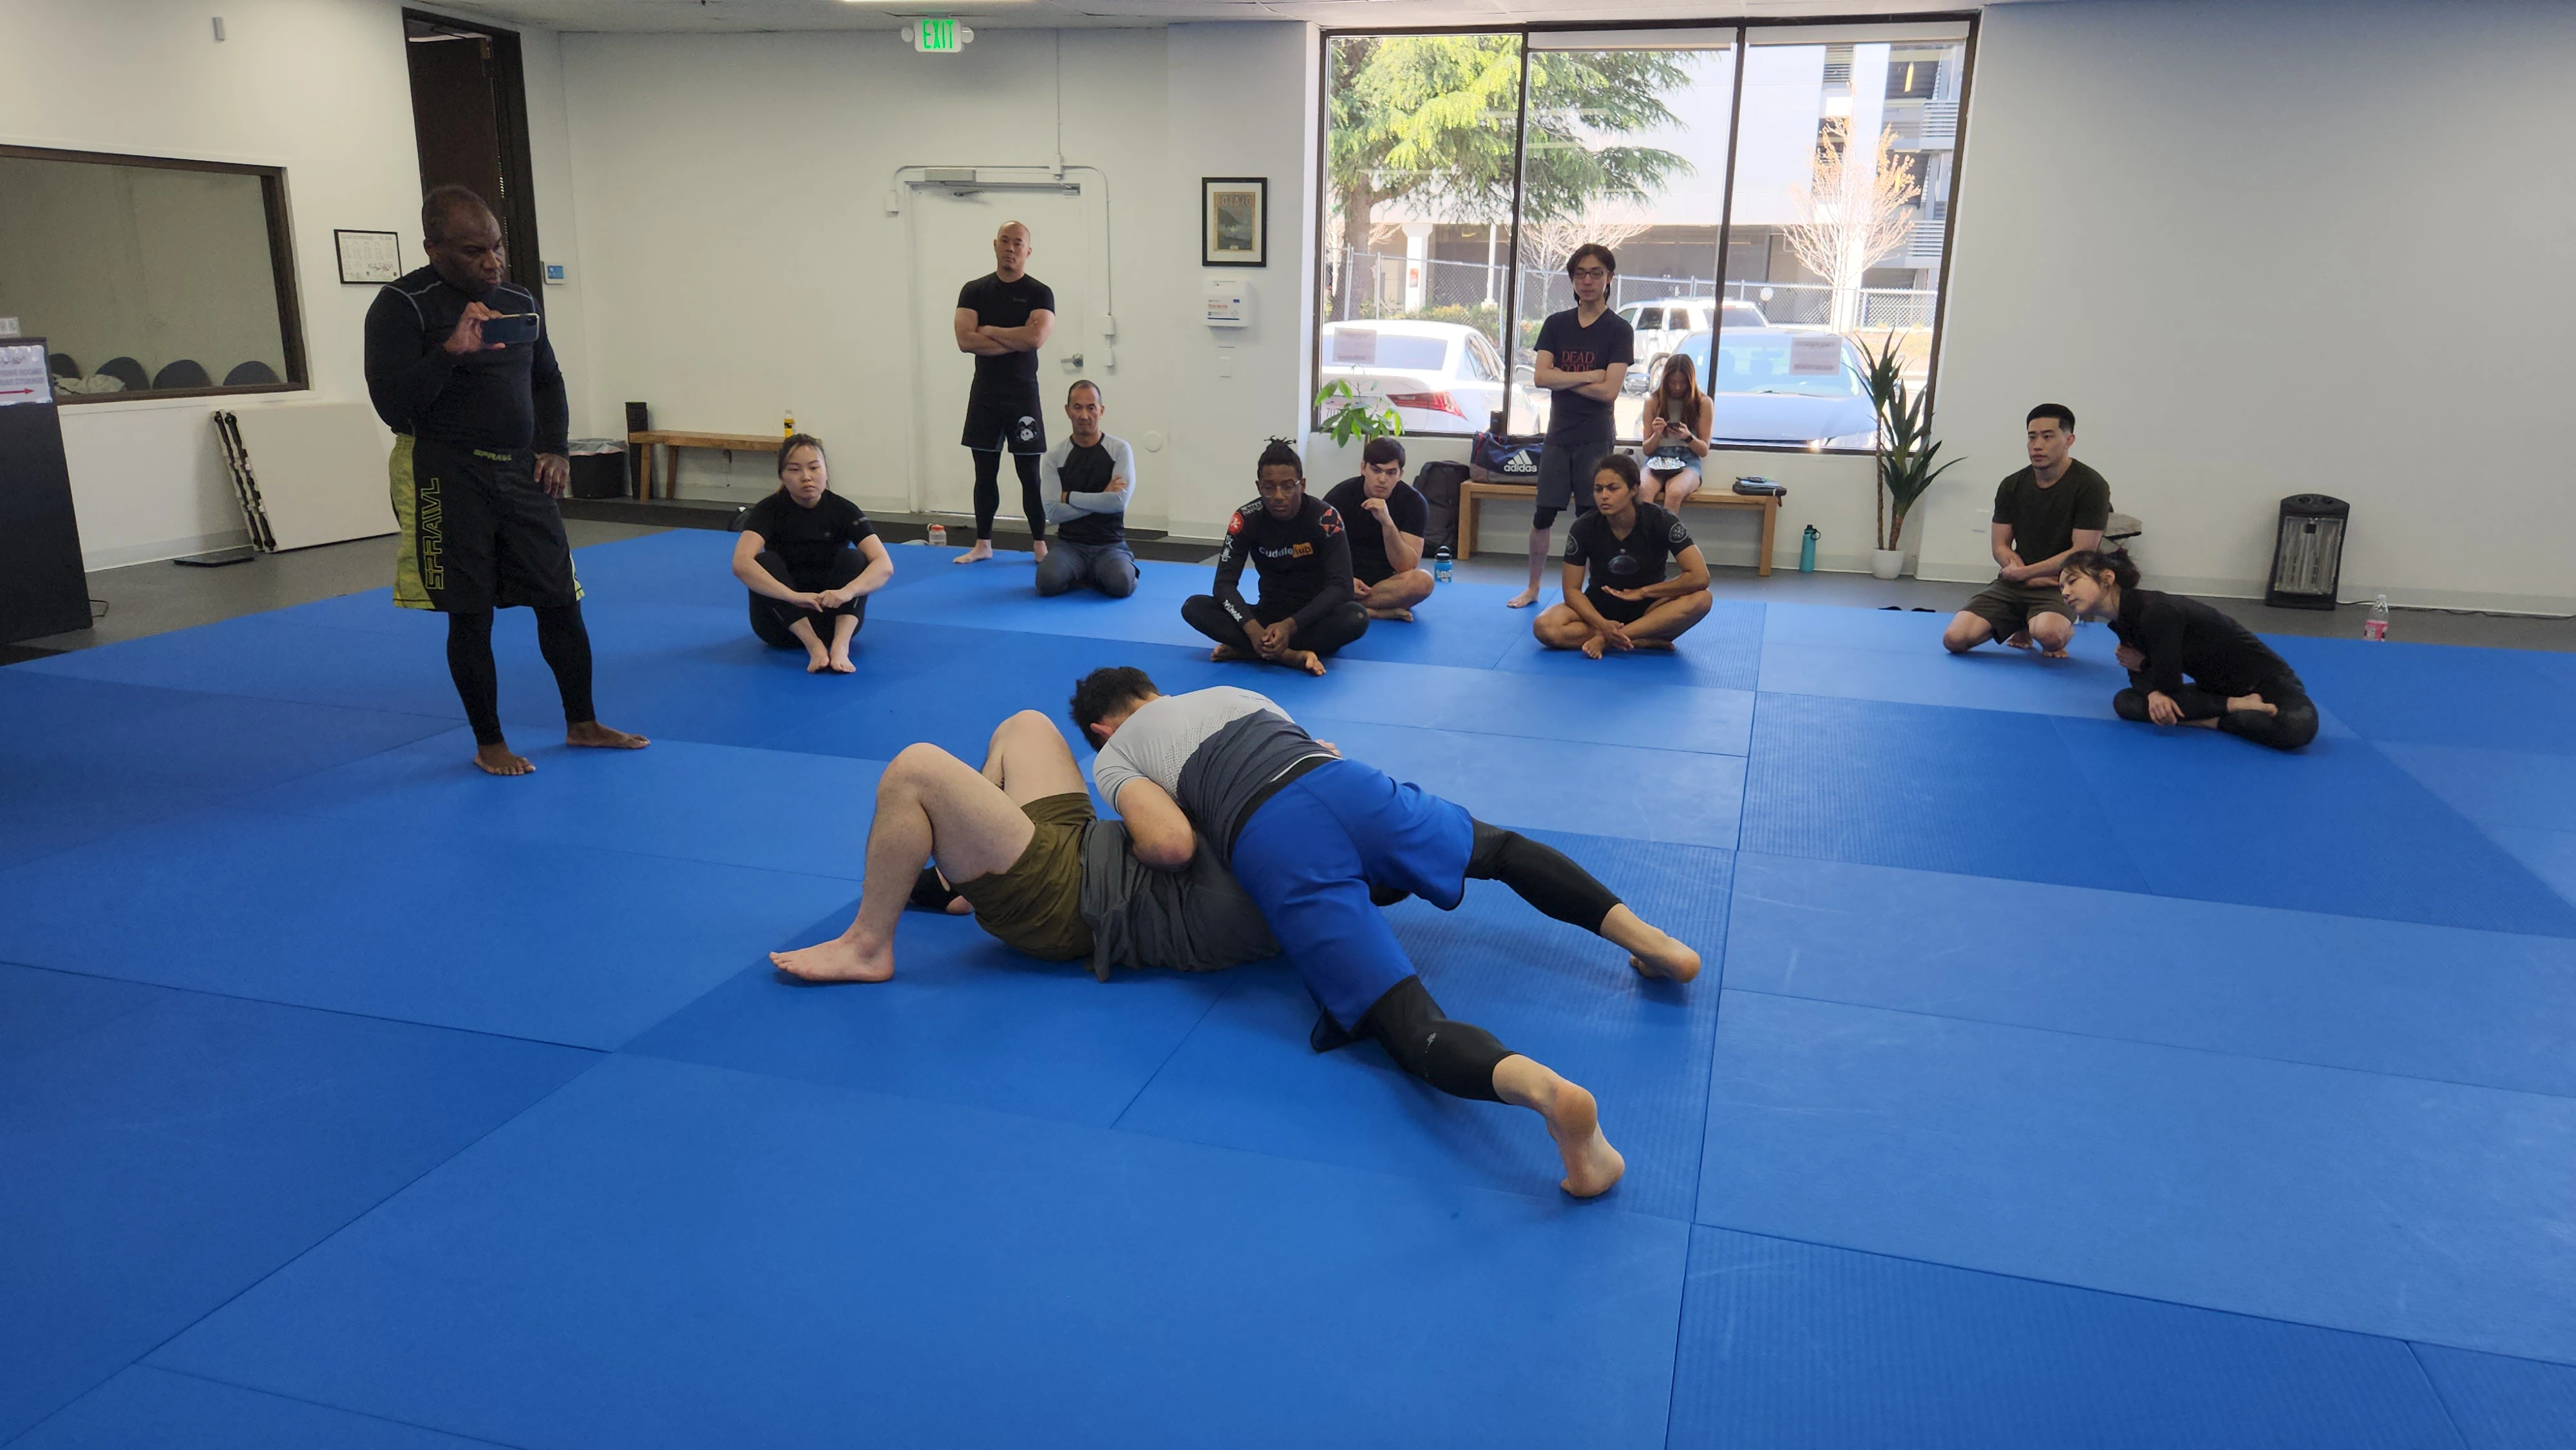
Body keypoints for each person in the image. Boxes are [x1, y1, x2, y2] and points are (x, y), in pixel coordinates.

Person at [1071, 668, 1704, 1199]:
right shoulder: (1229, 692)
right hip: (1343, 782)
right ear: (1152, 691)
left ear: (1101, 725)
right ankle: (1653, 943)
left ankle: (1546, 1093)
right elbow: (1323, 745)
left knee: (1404, 1021)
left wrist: (1142, 827)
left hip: (1273, 836)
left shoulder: (1114, 752)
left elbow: (1171, 843)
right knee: (1500, 849)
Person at [363, 184, 647, 777]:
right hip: (443, 473)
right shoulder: (402, 305)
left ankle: (583, 722)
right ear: (434, 249)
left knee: (560, 599)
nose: (492, 263)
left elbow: (547, 379)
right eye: (474, 252)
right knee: (471, 613)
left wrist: (554, 447)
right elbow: (394, 407)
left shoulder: (517, 298)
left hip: (520, 469)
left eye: (497, 248)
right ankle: (489, 741)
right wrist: (451, 351)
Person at [770, 711, 1281, 986]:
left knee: (916, 769)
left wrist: (1130, 776)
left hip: (1066, 901)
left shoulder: (1290, 885)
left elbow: (1168, 844)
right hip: (1084, 846)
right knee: (1027, 723)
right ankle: (965, 872)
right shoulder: (1299, 835)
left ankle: (867, 947)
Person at [2058, 549, 2319, 750]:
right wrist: (2151, 691)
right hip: (2219, 689)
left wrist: (2147, 673)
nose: (2066, 593)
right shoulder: (2119, 621)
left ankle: (2221, 712)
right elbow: (2139, 677)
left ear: (2106, 579)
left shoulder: (2156, 611)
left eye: (2072, 582)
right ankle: (2227, 712)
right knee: (2125, 703)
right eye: (2061, 588)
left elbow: (2167, 681)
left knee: (2296, 730)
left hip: (2267, 683)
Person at [1509, 243, 1634, 610]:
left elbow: (1610, 391)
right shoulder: (1556, 324)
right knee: (1543, 514)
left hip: (1595, 437)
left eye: (1596, 273)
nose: (1588, 280)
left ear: (1609, 278)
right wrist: (1589, 374)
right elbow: (1540, 378)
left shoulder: (1618, 330)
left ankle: (1595, 592)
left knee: (1594, 516)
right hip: (1559, 435)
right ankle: (1533, 588)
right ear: (1572, 279)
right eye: (1581, 273)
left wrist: (1563, 377)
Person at [1180, 439, 1370, 676]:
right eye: (1269, 488)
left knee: (1356, 617)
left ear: (1302, 485)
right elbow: (1223, 586)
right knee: (1193, 607)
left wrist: (1290, 626)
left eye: (1288, 486)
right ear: (1259, 487)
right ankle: (1289, 656)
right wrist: (1253, 631)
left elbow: (1341, 587)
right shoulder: (1246, 519)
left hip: (1312, 621)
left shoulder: (1326, 518)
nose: (1279, 496)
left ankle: (1251, 652)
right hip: (1266, 619)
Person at [1942, 404, 2111, 658]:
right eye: (2032, 437)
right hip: (2015, 581)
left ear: (2069, 440)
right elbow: (2000, 545)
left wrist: (2024, 574)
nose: (2038, 445)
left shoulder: (2091, 486)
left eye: (2048, 436)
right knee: (1954, 639)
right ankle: (2021, 622)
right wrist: (2019, 574)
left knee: (2050, 637)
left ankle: (2058, 625)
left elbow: (2082, 552)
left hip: (2060, 584)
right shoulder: (2012, 485)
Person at [732, 433, 893, 672]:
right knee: (764, 561)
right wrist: (791, 596)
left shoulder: (843, 509)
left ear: (826, 471)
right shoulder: (768, 510)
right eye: (795, 470)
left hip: (834, 620)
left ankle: (840, 646)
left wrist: (847, 592)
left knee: (855, 559)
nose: (806, 477)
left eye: (814, 468)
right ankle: (814, 646)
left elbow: (884, 565)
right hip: (780, 625)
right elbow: (741, 563)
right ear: (782, 476)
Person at [1533, 454, 1714, 657]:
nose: (1604, 496)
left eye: (1613, 488)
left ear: (1634, 489)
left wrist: (1644, 592)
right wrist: (1602, 624)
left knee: (1702, 599)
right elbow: (1572, 590)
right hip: (1600, 608)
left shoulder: (1661, 520)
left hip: (1652, 609)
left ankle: (1609, 639)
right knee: (1545, 627)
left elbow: (1699, 577)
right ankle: (1638, 639)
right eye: (1598, 489)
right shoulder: (1583, 527)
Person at [952, 221, 1056, 566]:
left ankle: (1040, 545)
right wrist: (1015, 339)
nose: (1011, 248)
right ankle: (983, 543)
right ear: (995, 245)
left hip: (1023, 394)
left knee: (1030, 475)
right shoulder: (974, 291)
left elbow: (1035, 340)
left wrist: (991, 332)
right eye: (1005, 242)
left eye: (1018, 243)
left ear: (1028, 251)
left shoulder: (1040, 293)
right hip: (985, 394)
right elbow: (966, 341)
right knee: (985, 472)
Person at [1034, 380, 1139, 599]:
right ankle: (1088, 574)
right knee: (1046, 583)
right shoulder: (1055, 456)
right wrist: (1103, 500)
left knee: (1121, 585)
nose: (1084, 415)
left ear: (1101, 411)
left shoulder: (1120, 450)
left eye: (1091, 407)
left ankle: (1097, 573)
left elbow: (1119, 503)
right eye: (1078, 407)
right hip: (1070, 545)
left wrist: (1069, 497)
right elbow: (1052, 512)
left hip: (1111, 545)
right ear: (1068, 411)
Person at [1323, 436, 1433, 622]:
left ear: (1400, 475)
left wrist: (1387, 522)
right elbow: (1321, 552)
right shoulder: (1339, 497)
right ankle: (1376, 611)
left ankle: (1349, 606)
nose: (1382, 479)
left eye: (1391, 473)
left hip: (1385, 585)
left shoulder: (1414, 503)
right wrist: (1345, 580)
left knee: (1423, 582)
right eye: (1376, 471)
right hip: (1345, 579)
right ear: (1363, 468)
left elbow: (1406, 566)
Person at [1638, 350, 1712, 509]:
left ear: (1691, 382)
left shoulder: (1704, 403)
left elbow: (1704, 450)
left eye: (1683, 382)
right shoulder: (1653, 401)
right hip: (1657, 459)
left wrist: (1688, 437)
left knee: (1675, 492)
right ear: (1665, 381)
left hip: (1687, 461)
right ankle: (1645, 534)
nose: (1678, 387)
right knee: (1642, 490)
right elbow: (1647, 449)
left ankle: (1667, 535)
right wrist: (1657, 434)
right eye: (1672, 382)